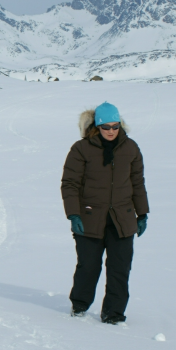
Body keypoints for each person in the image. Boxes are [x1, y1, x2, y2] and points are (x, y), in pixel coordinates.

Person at [61, 102, 149, 324]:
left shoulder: (131, 149)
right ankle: (79, 305)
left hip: (122, 219)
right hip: (89, 218)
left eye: (115, 126)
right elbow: (70, 184)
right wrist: (74, 215)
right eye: (106, 127)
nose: (111, 131)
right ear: (96, 127)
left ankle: (114, 314)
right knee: (88, 267)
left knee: (120, 269)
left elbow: (137, 183)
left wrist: (142, 213)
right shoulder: (81, 149)